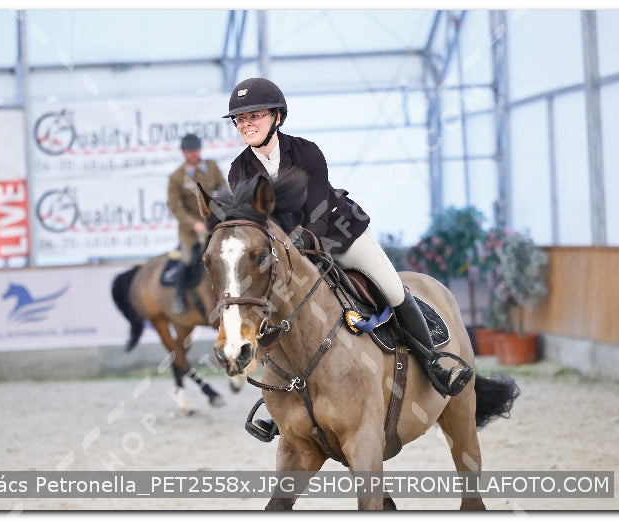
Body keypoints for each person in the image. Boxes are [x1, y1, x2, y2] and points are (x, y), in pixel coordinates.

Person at [223, 78, 473, 437]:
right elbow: (256, 224)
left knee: (392, 288)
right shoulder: (239, 170)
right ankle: (281, 401)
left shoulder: (306, 152)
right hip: (291, 255)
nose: (246, 124)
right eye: (240, 119)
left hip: (339, 234)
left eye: (254, 116)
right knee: (270, 306)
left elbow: (319, 212)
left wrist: (298, 245)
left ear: (277, 117)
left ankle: (435, 362)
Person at [167, 133, 226, 314]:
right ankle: (178, 297)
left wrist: (222, 213)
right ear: (183, 152)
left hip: (214, 225)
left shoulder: (212, 167)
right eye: (189, 151)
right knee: (186, 260)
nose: (193, 154)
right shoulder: (177, 177)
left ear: (200, 149)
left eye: (196, 150)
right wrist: (194, 224)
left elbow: (224, 191)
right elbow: (175, 206)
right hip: (191, 232)